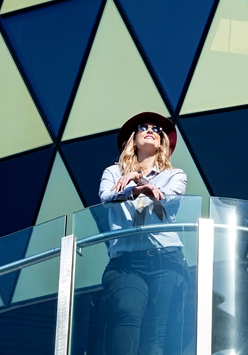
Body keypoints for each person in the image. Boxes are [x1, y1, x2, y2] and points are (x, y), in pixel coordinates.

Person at [99, 112, 189, 355]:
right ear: (133, 138)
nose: (150, 130)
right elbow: (106, 198)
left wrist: (142, 182)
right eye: (143, 127)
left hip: (166, 258)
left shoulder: (175, 175)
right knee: (128, 313)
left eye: (156, 129)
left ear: (161, 141)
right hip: (126, 262)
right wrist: (134, 186)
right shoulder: (113, 173)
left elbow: (168, 198)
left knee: (158, 334)